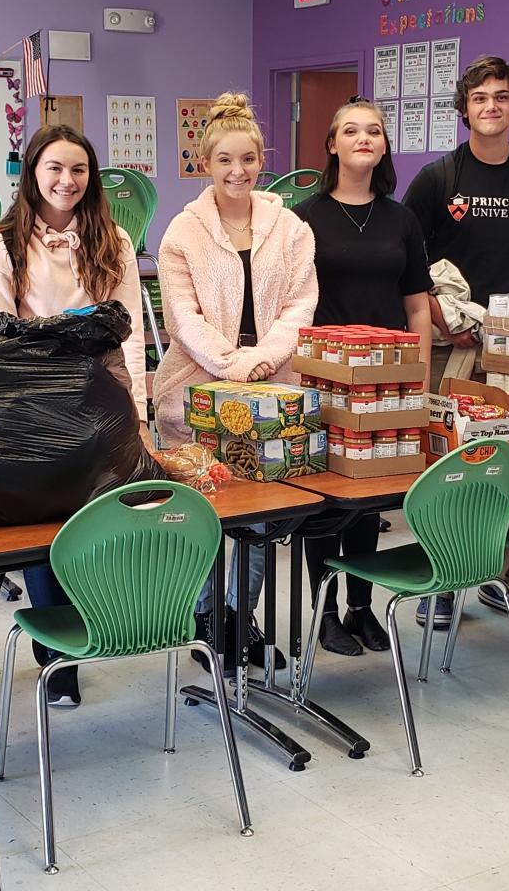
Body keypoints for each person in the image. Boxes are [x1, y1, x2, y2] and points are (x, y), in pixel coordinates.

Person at [0, 124, 148, 707]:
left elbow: (129, 331)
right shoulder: (1, 244)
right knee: (45, 526)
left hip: (101, 398)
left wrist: (137, 408)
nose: (66, 180)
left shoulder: (113, 239)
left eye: (78, 169)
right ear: (32, 173)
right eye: (53, 167)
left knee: (91, 523)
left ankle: (84, 631)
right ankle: (57, 658)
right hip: (33, 400)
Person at [402, 55, 509, 627]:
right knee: (445, 461)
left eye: (501, 96)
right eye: (479, 97)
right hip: (451, 345)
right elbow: (409, 265)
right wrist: (437, 317)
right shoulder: (438, 179)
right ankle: (441, 580)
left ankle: (503, 574)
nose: (491, 106)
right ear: (465, 108)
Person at [153, 91, 317, 671]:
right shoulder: (182, 232)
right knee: (204, 512)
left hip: (272, 388)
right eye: (224, 159)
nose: (237, 171)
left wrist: (264, 359)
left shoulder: (291, 228)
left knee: (262, 513)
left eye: (247, 159)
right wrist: (233, 365)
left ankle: (239, 615)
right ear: (206, 164)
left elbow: (300, 304)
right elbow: (182, 317)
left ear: (261, 161)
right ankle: (205, 618)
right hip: (195, 392)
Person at [293, 98, 432, 655]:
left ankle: (361, 606)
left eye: (373, 131)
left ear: (384, 145)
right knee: (328, 500)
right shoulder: (304, 217)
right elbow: (293, 303)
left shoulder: (401, 218)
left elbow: (417, 305)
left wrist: (419, 378)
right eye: (350, 131)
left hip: (387, 380)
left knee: (370, 497)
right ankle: (325, 612)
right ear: (332, 145)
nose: (363, 139)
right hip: (325, 378)